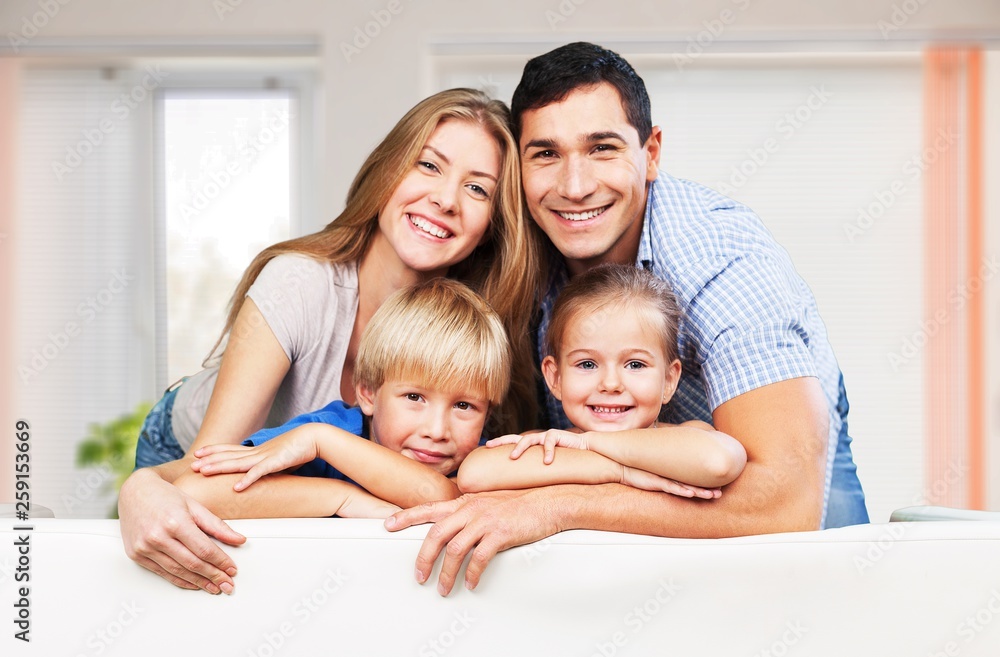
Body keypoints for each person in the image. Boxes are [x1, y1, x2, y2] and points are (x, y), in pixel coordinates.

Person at [385, 42, 869, 596]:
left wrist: (559, 506)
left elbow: (785, 501)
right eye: (545, 154)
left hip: (767, 471)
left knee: (822, 599)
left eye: (602, 148)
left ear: (652, 151)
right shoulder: (518, 245)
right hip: (620, 482)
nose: (574, 186)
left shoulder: (722, 261)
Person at [118, 88, 541, 595]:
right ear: (388, 171)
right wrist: (141, 487)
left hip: (310, 477)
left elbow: (444, 491)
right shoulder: (300, 284)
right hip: (190, 450)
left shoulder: (468, 328)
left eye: (477, 190)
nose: (446, 200)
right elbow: (203, 475)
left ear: (492, 224)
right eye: (428, 166)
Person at [175, 278, 510, 520]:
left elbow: (440, 494)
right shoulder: (325, 430)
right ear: (367, 393)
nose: (437, 430)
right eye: (414, 396)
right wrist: (341, 498)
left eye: (464, 406)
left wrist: (321, 442)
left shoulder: (477, 461)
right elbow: (194, 491)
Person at [457, 264, 745, 498]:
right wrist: (618, 471)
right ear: (555, 377)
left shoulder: (687, 436)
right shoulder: (547, 445)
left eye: (635, 364)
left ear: (669, 380)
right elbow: (474, 473)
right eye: (587, 364)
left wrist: (588, 444)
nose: (610, 384)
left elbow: (717, 462)